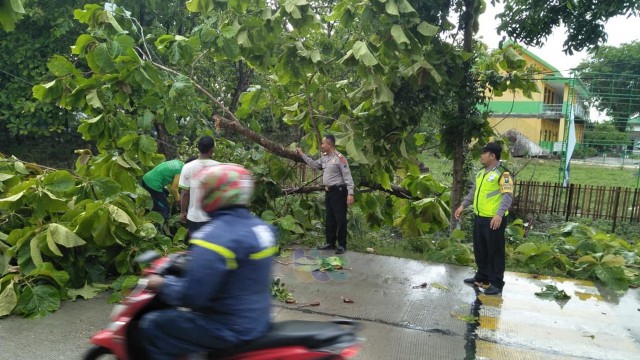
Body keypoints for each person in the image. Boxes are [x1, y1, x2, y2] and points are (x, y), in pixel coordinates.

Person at [139, 164, 278, 360]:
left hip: (228, 327)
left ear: (216, 194)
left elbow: (193, 296)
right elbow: (237, 268)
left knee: (154, 325)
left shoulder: (214, 236)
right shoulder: (263, 229)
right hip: (258, 320)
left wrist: (162, 283)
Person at [454, 142, 514, 296]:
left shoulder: (503, 173)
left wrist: (499, 214)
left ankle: (497, 283)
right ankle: (483, 276)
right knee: (480, 249)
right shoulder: (481, 173)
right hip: (479, 217)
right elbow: (473, 191)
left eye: (484, 153)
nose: (481, 156)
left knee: (495, 251)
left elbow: (507, 196)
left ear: (492, 156)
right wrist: (463, 205)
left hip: (494, 219)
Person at [297, 134, 355, 255]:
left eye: (323, 143)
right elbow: (314, 164)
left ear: (329, 145)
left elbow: (347, 176)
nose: (321, 145)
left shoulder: (340, 158)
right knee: (330, 218)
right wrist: (302, 155)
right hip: (329, 192)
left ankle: (342, 245)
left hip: (339, 191)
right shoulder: (324, 157)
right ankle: (330, 243)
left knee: (340, 219)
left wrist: (350, 193)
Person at [179, 136, 220, 235]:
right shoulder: (219, 167)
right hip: (213, 217)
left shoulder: (187, 167)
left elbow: (184, 193)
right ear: (212, 150)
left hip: (194, 217)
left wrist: (182, 212)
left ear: (198, 148)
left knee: (196, 247)